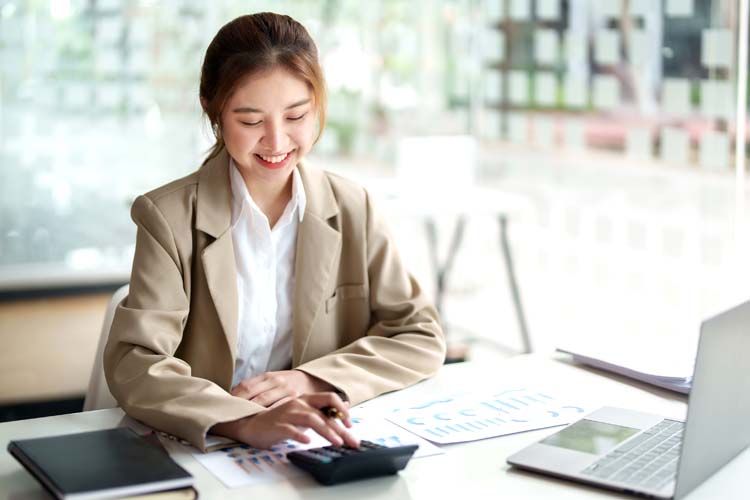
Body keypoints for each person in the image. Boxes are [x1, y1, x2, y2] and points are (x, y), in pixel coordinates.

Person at [103, 12, 446, 452]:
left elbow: (419, 333)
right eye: (250, 121)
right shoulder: (166, 217)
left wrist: (310, 381)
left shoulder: (352, 206)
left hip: (314, 444)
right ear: (214, 111)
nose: (277, 140)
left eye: (296, 115)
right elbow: (135, 362)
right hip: (208, 447)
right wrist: (243, 420)